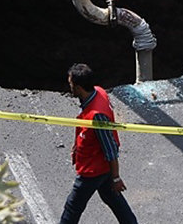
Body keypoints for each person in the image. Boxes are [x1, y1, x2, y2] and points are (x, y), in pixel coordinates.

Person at [59, 63, 138, 224]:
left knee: (72, 207)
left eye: (71, 84)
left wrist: (116, 178)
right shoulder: (99, 92)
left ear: (79, 87)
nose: (70, 88)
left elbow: (110, 149)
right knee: (115, 201)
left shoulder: (97, 116)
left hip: (93, 170)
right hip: (101, 167)